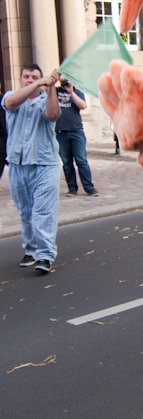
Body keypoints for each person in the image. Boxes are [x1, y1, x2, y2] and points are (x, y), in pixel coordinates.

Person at [2, 64, 61, 273]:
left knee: (43, 211)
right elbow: (10, 103)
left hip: (44, 164)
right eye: (26, 76)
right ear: (20, 79)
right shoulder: (11, 97)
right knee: (25, 211)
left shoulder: (47, 99)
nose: (30, 79)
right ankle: (31, 249)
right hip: (18, 164)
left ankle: (45, 254)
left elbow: (52, 115)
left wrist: (51, 86)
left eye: (34, 77)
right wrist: (39, 83)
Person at [56, 77, 98, 196]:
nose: (66, 80)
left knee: (81, 160)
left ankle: (89, 187)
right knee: (66, 162)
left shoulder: (77, 92)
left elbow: (83, 106)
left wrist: (71, 92)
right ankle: (72, 188)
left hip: (76, 131)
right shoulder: (55, 91)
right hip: (61, 132)